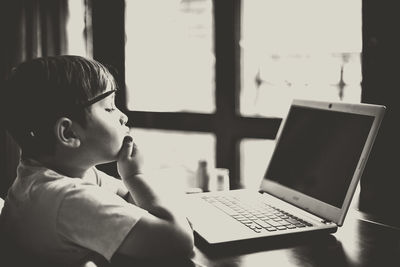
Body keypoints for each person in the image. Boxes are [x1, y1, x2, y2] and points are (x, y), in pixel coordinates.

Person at [0, 55, 194, 266]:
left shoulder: (55, 173)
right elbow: (177, 241)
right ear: (69, 132)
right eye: (109, 108)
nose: (123, 117)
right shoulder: (67, 198)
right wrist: (135, 176)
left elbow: (128, 198)